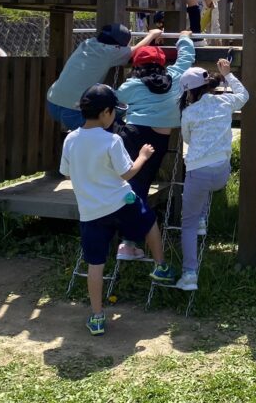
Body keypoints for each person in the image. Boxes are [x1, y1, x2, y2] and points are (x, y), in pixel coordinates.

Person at [59, 84, 177, 336]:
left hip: (91, 211)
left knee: (95, 264)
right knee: (149, 221)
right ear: (105, 112)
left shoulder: (71, 139)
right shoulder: (111, 140)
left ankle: (97, 317)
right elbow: (127, 173)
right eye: (114, 111)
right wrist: (143, 155)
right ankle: (160, 266)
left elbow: (66, 173)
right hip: (120, 203)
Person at [114, 30, 196, 261]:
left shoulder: (132, 84)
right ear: (162, 63)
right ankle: (128, 242)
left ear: (137, 65)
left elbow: (117, 98)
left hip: (132, 133)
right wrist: (184, 37)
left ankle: (126, 239)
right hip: (157, 139)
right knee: (139, 185)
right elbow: (186, 57)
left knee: (130, 182)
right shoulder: (176, 76)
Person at [175, 59, 249, 291]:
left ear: (188, 92)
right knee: (208, 182)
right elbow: (244, 95)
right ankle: (203, 219)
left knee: (187, 224)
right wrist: (227, 74)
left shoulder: (188, 113)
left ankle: (189, 274)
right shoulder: (224, 101)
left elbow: (188, 139)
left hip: (198, 172)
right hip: (221, 172)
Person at [47, 23, 139, 131]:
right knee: (109, 129)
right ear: (117, 46)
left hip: (52, 102)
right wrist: (151, 35)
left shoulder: (87, 43)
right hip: (74, 109)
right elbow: (134, 50)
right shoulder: (109, 53)